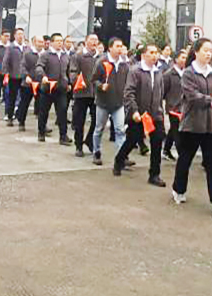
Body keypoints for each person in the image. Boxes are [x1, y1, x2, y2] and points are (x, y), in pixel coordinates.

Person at [172, 38, 212, 214]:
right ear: (196, 51)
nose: (208, 54)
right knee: (185, 159)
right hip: (192, 124)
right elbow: (191, 95)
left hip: (210, 124)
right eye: (205, 50)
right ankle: (178, 189)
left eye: (210, 51)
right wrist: (210, 101)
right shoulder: (188, 73)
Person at [115, 44, 166, 187]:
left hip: (155, 115)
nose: (155, 55)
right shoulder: (135, 71)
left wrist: (160, 112)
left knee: (157, 143)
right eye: (151, 52)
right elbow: (129, 93)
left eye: (156, 52)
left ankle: (154, 174)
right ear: (143, 55)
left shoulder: (158, 71)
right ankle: (119, 160)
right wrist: (134, 111)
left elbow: (160, 93)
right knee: (132, 140)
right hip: (139, 114)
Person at [91, 37, 129, 166]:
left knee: (120, 130)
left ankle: (121, 157)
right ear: (110, 48)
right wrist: (101, 86)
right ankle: (96, 152)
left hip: (119, 103)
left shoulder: (124, 64)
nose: (120, 49)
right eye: (117, 46)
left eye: (121, 46)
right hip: (103, 102)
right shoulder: (101, 62)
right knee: (99, 129)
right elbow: (94, 79)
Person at [35, 33, 72, 145]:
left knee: (62, 112)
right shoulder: (46, 55)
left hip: (61, 89)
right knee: (44, 112)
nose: (60, 43)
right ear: (51, 43)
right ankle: (41, 132)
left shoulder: (65, 56)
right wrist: (43, 76)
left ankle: (63, 136)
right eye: (57, 41)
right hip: (48, 88)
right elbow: (39, 67)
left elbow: (68, 71)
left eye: (61, 41)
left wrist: (69, 83)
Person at [69, 33, 99, 157]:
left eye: (96, 40)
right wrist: (76, 80)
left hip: (96, 94)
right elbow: (73, 71)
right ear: (86, 41)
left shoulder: (100, 57)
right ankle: (78, 146)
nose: (94, 42)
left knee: (97, 120)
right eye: (92, 40)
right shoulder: (78, 56)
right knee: (79, 121)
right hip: (81, 93)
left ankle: (89, 140)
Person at [162, 48, 187, 161]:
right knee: (178, 132)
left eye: (186, 58)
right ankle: (182, 156)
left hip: (185, 107)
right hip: (173, 108)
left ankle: (166, 150)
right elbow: (163, 91)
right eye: (182, 57)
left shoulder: (187, 73)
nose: (185, 60)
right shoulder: (168, 74)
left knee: (173, 130)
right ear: (176, 59)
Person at [3, 29, 26, 127]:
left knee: (24, 98)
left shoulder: (26, 47)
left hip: (24, 77)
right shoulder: (11, 47)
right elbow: (6, 61)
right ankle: (10, 116)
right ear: (15, 36)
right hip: (14, 76)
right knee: (12, 97)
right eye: (19, 34)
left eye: (22, 34)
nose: (21, 36)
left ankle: (20, 117)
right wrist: (6, 73)